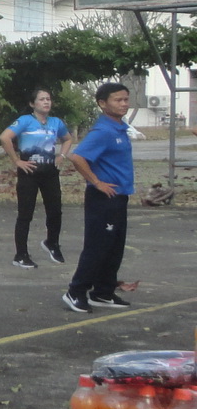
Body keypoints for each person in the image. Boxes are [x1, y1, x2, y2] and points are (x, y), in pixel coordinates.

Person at [63, 82, 136, 314]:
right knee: (97, 247)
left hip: (119, 196)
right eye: (118, 100)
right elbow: (77, 157)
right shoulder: (103, 131)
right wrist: (96, 182)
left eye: (126, 99)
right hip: (103, 198)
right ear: (102, 104)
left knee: (114, 247)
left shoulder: (119, 128)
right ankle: (75, 291)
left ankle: (103, 292)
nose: (123, 104)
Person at [1, 90, 69, 270]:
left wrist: (62, 155)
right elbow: (4, 137)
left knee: (55, 211)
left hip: (50, 172)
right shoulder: (25, 121)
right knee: (25, 214)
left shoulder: (56, 122)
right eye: (42, 99)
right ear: (33, 104)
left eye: (48, 99)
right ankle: (21, 255)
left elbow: (68, 139)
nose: (46, 102)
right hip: (29, 172)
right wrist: (17, 161)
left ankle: (52, 243)